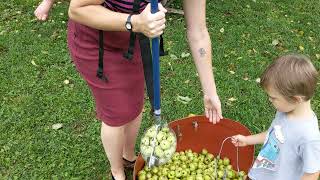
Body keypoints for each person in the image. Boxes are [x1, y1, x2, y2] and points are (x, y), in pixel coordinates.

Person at [67, 0, 222, 179]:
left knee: (134, 103)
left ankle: (128, 156)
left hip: (131, 39)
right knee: (117, 112)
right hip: (96, 41)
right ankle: (117, 171)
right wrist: (135, 22)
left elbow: (198, 32)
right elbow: (78, 9)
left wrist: (210, 92)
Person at [232, 54, 320, 180]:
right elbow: (273, 135)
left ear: (295, 99)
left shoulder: (309, 136)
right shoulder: (285, 111)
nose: (269, 100)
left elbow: (312, 173)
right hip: (263, 173)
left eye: (273, 98)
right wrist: (247, 140)